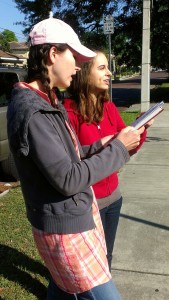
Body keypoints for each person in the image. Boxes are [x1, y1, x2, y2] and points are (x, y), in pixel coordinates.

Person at [7, 18, 144, 300]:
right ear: (53, 54)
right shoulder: (34, 111)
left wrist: (102, 145)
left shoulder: (46, 100)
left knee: (62, 290)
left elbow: (67, 157)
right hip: (67, 233)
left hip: (72, 222)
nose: (78, 66)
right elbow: (68, 179)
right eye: (74, 56)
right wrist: (118, 150)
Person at [64, 50, 153, 271]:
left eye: (108, 68)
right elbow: (68, 160)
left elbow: (126, 151)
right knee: (83, 262)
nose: (110, 73)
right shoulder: (68, 112)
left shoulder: (109, 108)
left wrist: (139, 132)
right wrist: (105, 145)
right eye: (102, 68)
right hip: (86, 203)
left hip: (114, 198)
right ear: (85, 72)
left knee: (106, 254)